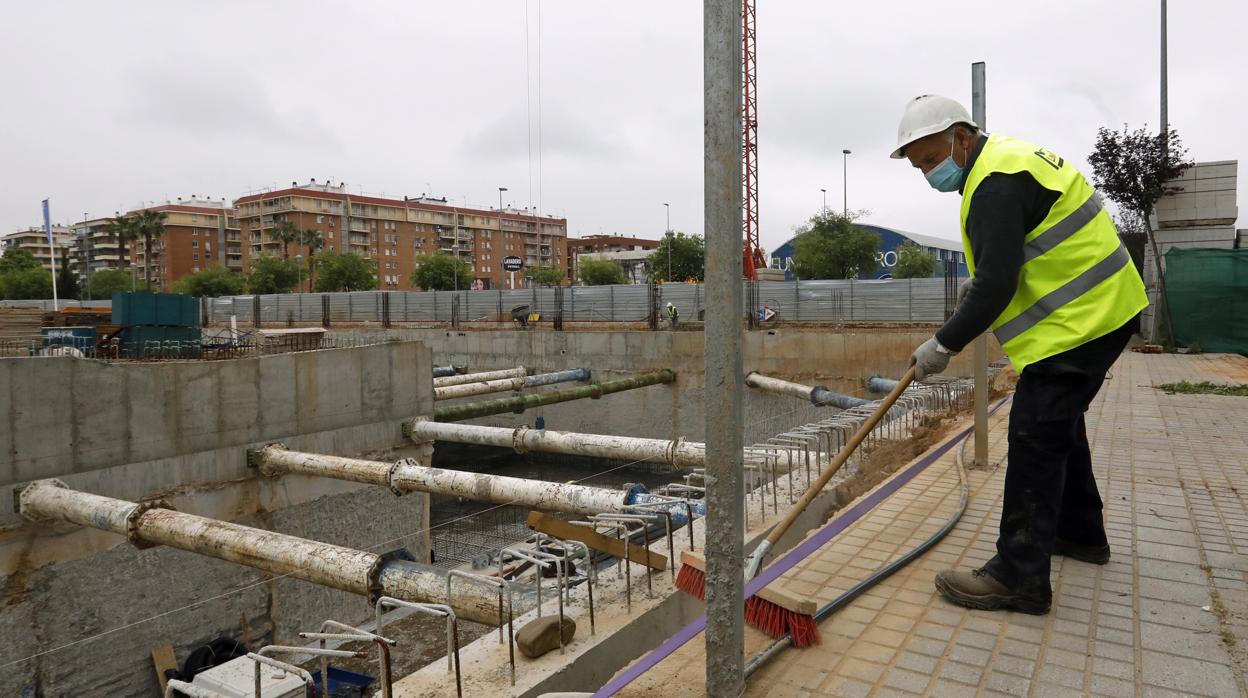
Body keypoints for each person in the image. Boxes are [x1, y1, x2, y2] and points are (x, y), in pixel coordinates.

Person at [891, 95, 1147, 614]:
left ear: (961, 137)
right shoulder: (1005, 162)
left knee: (1034, 434)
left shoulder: (994, 183)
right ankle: (1080, 534)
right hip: (1100, 313)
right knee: (1058, 425)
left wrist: (943, 345)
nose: (927, 174)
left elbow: (995, 286)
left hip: (1083, 322)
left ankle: (1019, 576)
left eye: (929, 159)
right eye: (918, 166)